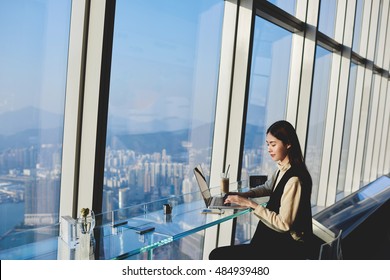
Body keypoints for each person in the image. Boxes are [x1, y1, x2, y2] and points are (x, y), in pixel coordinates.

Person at [209, 120, 313, 260]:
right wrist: (244, 195)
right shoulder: (282, 169)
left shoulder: (294, 180)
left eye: (273, 144)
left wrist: (249, 203)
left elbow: (283, 224)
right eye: (268, 144)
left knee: (217, 256)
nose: (269, 149)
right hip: (273, 240)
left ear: (288, 144)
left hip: (286, 248)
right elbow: (268, 187)